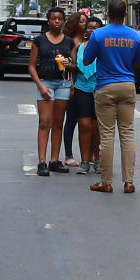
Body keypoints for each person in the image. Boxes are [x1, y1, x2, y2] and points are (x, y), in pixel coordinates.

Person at [82, 0, 140, 194]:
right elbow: (137, 62)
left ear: (108, 14)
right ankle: (129, 181)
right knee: (127, 133)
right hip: (127, 85)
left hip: (106, 86)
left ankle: (106, 181)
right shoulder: (134, 36)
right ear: (125, 14)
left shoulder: (98, 34)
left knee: (107, 135)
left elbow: (87, 58)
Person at [29, 7, 75, 176]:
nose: (57, 21)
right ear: (48, 21)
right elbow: (32, 66)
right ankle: (42, 162)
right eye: (53, 18)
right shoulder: (39, 40)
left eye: (60, 19)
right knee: (44, 122)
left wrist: (68, 66)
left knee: (58, 123)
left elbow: (74, 65)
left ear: (63, 21)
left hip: (63, 84)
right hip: (45, 83)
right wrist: (41, 86)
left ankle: (54, 160)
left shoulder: (68, 42)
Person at [73, 17, 103, 174]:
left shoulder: (105, 47)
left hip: (100, 89)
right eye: (89, 28)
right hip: (82, 88)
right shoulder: (79, 47)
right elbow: (73, 65)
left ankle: (98, 160)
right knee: (84, 125)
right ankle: (85, 161)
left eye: (96, 28)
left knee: (98, 128)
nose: (92, 31)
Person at [60, 11, 87, 167]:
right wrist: (70, 85)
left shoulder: (90, 40)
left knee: (87, 121)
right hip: (72, 80)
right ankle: (68, 155)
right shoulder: (69, 41)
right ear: (75, 23)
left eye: (86, 22)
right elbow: (65, 66)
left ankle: (89, 155)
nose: (85, 25)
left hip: (89, 81)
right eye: (82, 22)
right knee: (71, 119)